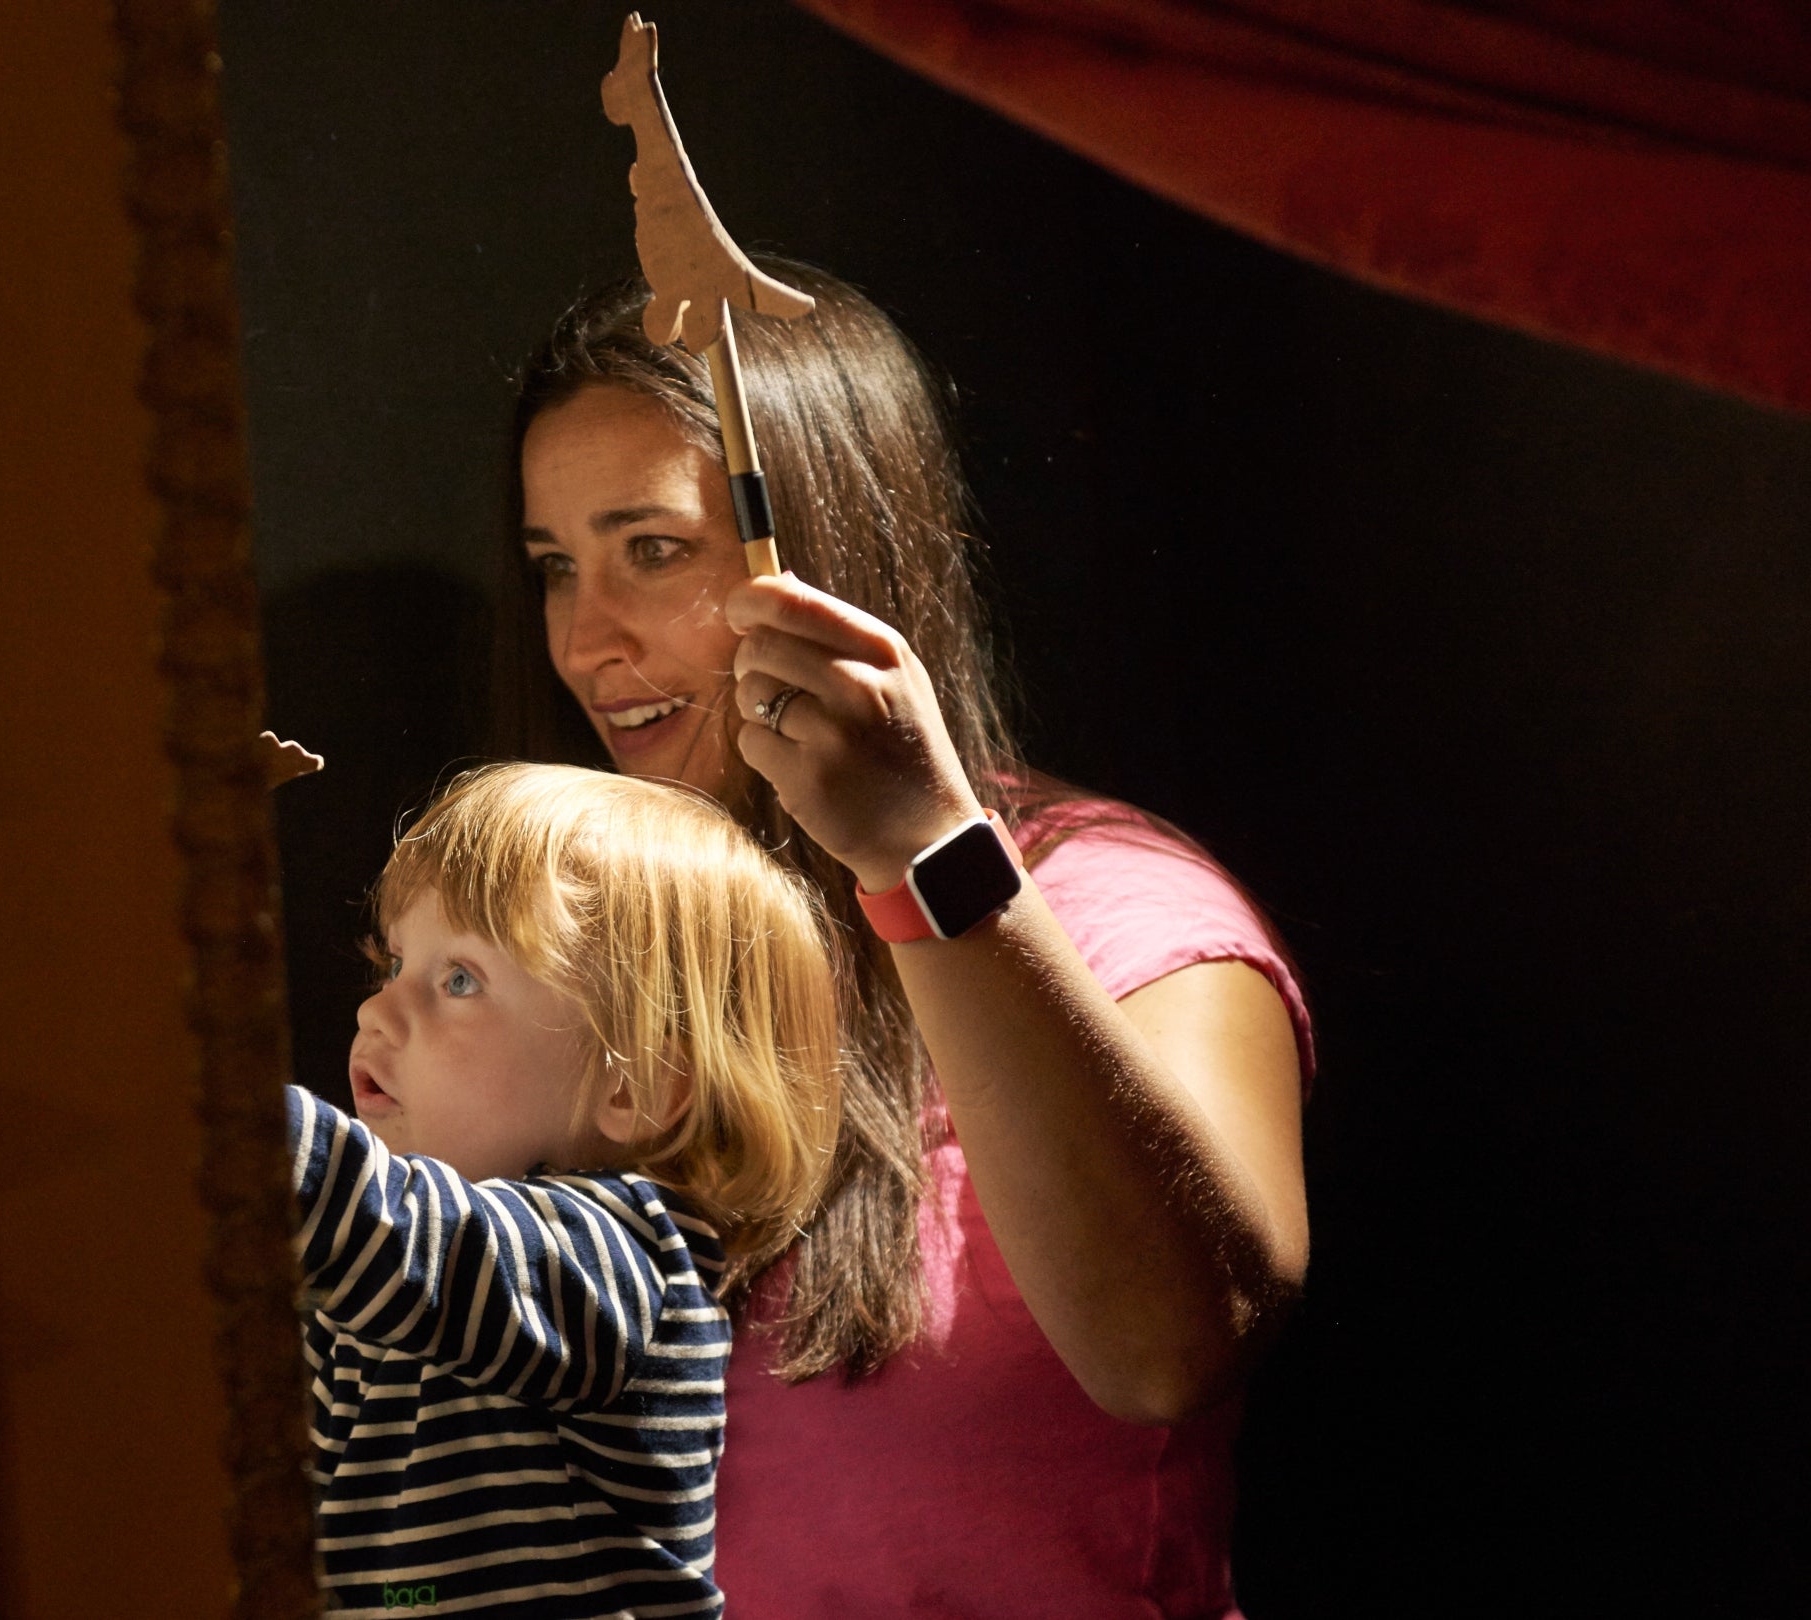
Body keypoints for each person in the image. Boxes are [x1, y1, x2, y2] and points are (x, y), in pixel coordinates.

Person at [500, 264, 1316, 1617]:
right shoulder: (606, 953)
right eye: (553, 569)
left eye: (652, 551)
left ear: (815, 557)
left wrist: (919, 857)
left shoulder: (1118, 912)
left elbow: (1173, 1347)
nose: (589, 641)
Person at [288, 762, 846, 1617]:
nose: (376, 1012)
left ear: (636, 1086)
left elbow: (389, 1231)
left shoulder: (627, 1257)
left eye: (458, 981)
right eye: (394, 963)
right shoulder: (390, 1277)